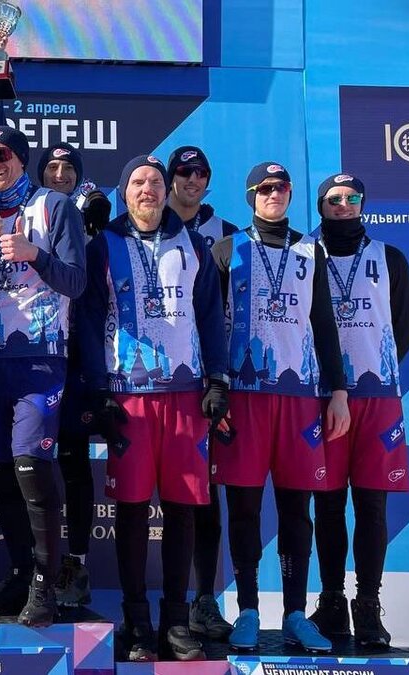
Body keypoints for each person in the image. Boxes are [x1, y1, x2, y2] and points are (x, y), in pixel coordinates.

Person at [77, 155, 228, 661]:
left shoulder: (195, 245)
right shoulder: (103, 245)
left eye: (156, 183)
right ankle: (137, 622)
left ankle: (177, 622)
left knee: (183, 510)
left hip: (186, 396)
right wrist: (98, 390)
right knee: (133, 510)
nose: (149, 190)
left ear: (167, 192)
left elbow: (210, 316)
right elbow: (88, 320)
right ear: (124, 193)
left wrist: (217, 379)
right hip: (129, 397)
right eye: (138, 182)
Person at [210, 162, 350, 654]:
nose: (275, 194)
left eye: (283, 187)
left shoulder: (311, 250)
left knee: (297, 510)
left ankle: (294, 613)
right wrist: (216, 389)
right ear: (252, 194)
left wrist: (338, 390)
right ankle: (247, 609)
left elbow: (324, 323)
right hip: (244, 399)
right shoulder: (227, 248)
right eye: (266, 188)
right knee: (244, 508)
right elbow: (210, 325)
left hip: (299, 399)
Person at [0, 125, 86, 627]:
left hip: (39, 360)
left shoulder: (55, 206)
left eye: (3, 155)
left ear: (20, 158)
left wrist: (36, 255)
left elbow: (77, 283)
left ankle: (45, 584)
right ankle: (20, 572)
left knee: (31, 467)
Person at [309, 173, 409, 648]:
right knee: (328, 504)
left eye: (353, 197)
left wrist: (374, 370)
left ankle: (368, 605)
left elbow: (405, 328)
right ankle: (332, 602)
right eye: (335, 199)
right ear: (321, 206)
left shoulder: (390, 258)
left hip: (376, 398)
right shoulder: (305, 256)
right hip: (320, 397)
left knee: (371, 504)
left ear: (363, 204)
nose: (345, 204)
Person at [164, 145, 238, 640]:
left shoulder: (228, 234)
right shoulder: (146, 227)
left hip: (209, 381)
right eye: (184, 171)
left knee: (206, 494)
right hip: (160, 380)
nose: (193, 180)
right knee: (150, 498)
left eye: (201, 173)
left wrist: (221, 378)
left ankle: (205, 601)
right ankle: (152, 612)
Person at [35, 141, 111, 608]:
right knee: (29, 465)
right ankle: (34, 567)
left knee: (75, 464)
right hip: (34, 353)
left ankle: (76, 565)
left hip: (80, 360)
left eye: (68, 168)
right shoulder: (27, 215)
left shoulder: (91, 209)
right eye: (53, 167)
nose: (60, 174)